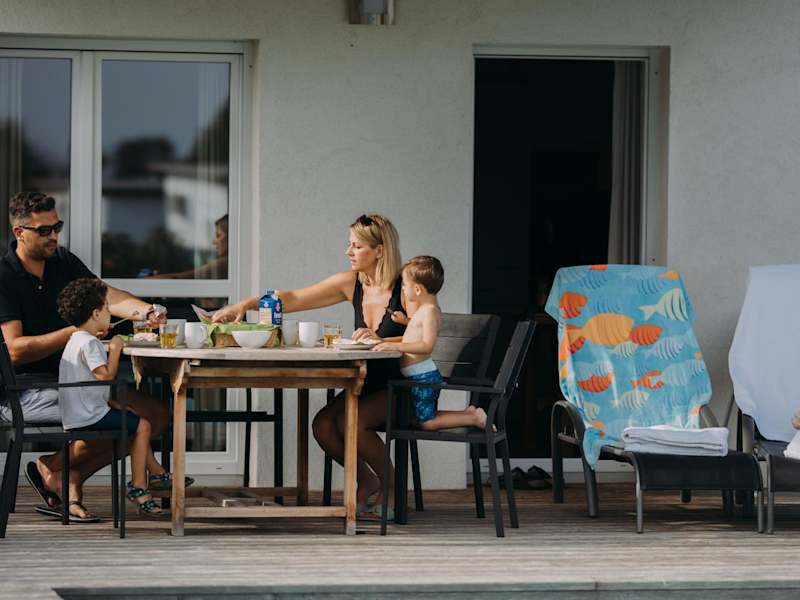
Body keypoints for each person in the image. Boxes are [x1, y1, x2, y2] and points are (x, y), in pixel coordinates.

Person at [212, 214, 413, 515]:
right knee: (322, 426)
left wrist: (383, 340)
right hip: (366, 381)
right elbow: (294, 298)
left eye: (357, 246)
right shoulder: (351, 283)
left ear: (380, 250)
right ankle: (367, 481)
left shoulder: (406, 288)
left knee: (354, 423)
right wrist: (246, 305)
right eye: (350, 244)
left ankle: (394, 487)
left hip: (402, 384)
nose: (348, 252)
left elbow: (424, 337)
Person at [0, 191, 168, 521]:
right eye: (44, 230)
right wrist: (76, 332)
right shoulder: (4, 276)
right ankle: (62, 473)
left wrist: (146, 311)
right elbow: (16, 350)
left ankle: (57, 469)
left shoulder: (62, 261)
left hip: (75, 382)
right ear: (19, 232)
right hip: (24, 389)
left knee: (155, 415)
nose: (54, 236)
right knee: (131, 421)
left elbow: (106, 296)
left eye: (57, 227)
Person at [56, 278, 168, 518]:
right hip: (89, 417)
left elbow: (87, 384)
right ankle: (139, 486)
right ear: (96, 314)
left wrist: (111, 403)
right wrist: (115, 349)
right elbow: (105, 376)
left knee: (133, 420)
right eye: (107, 309)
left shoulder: (75, 340)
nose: (109, 315)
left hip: (80, 412)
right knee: (143, 425)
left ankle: (158, 473)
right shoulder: (91, 343)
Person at [374, 256, 488, 432]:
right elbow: (414, 335)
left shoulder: (430, 312)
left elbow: (427, 345)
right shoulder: (424, 310)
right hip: (416, 376)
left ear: (417, 289)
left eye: (404, 285)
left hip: (423, 377)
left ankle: (473, 417)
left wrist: (395, 346)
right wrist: (385, 338)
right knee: (420, 417)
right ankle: (468, 413)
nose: (402, 288)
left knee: (427, 422)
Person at [149, 214, 228, 280]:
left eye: (218, 235)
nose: (214, 242)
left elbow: (178, 278)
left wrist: (145, 281)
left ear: (231, 236)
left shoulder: (226, 263)